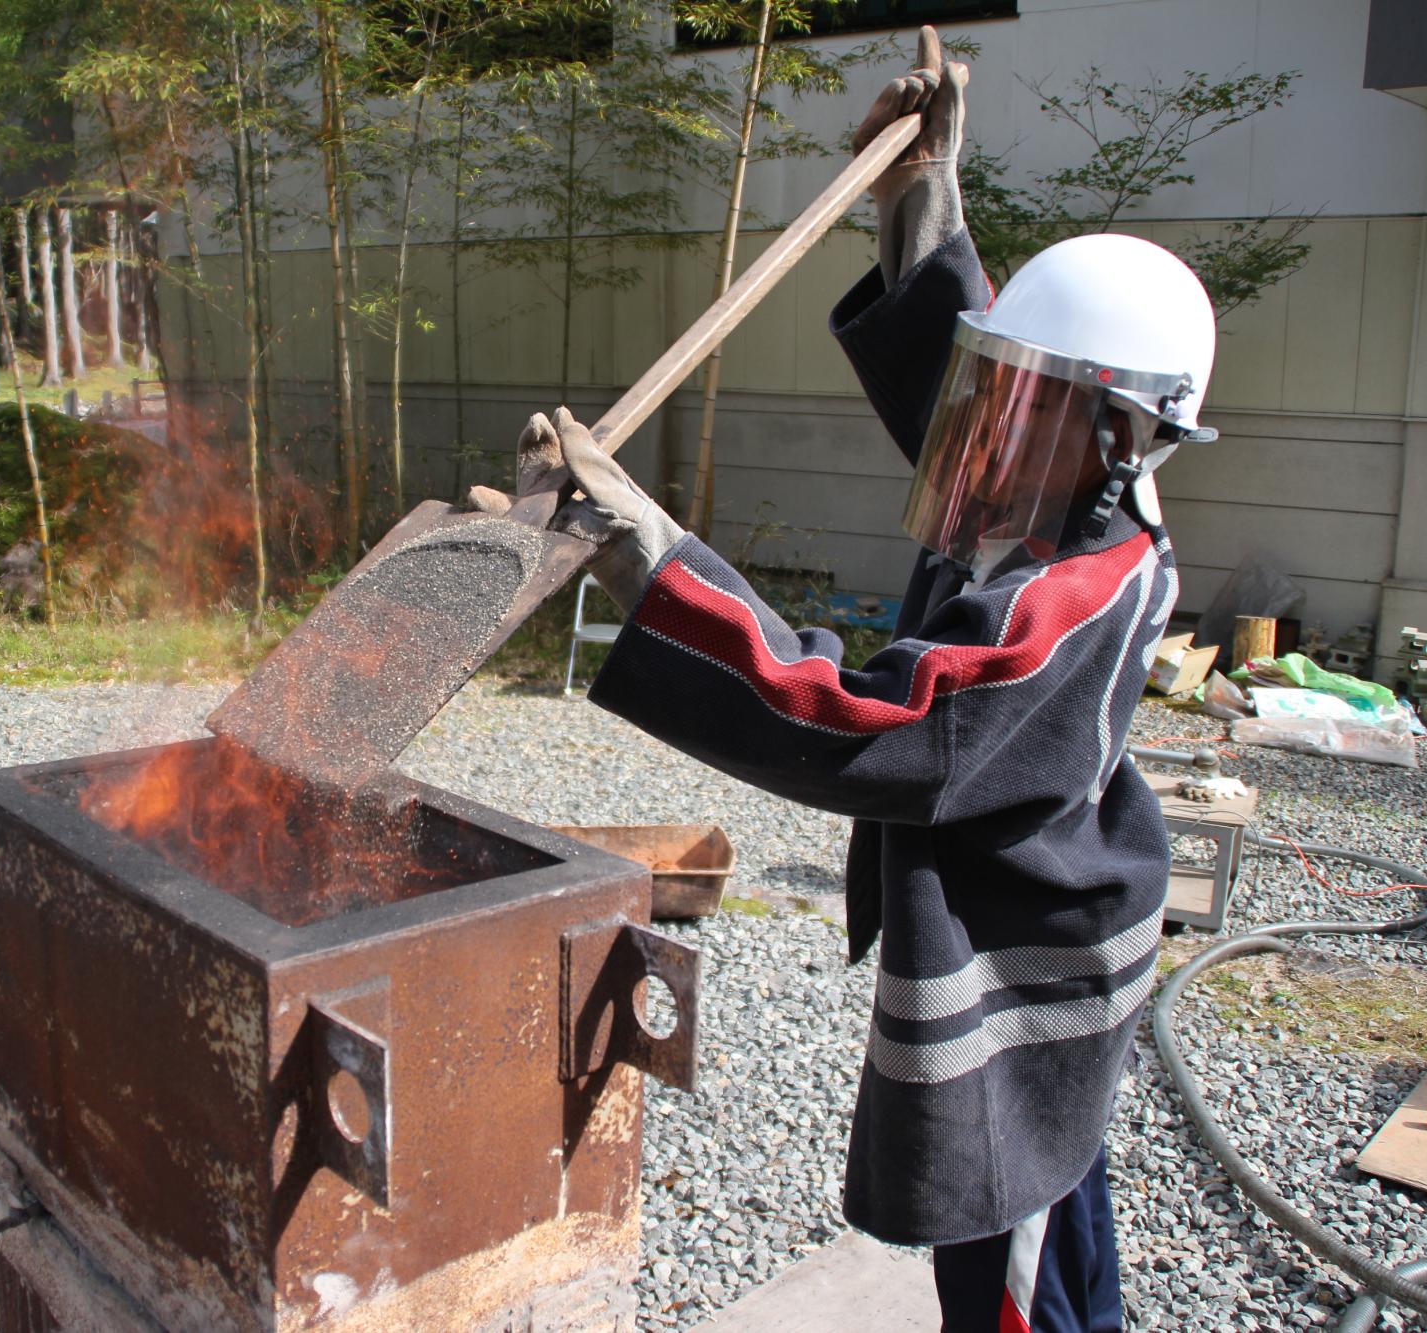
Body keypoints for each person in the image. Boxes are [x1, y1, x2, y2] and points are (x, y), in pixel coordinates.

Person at [522, 28, 1218, 1333]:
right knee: (1043, 1230)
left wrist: (652, 560)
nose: (992, 428)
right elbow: (964, 388)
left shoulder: (1075, 595)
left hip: (1030, 988)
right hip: (1056, 931)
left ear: (1115, 430)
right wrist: (922, 197)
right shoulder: (1066, 500)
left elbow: (872, 717)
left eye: (1030, 403)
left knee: (1023, 1281)